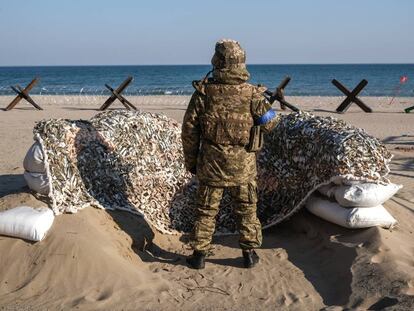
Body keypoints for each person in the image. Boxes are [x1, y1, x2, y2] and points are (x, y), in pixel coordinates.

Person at [181, 39, 279, 269]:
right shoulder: (253, 95)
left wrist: (191, 162)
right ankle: (249, 254)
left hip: (211, 165)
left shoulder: (203, 94)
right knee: (246, 210)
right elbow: (271, 123)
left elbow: (189, 132)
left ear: (217, 61)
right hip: (243, 167)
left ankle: (199, 256)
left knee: (206, 211)